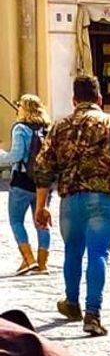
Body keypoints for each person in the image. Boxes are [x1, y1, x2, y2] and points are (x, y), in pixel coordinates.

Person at [32, 75, 110, 337]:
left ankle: (72, 304)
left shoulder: (59, 127)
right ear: (100, 99)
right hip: (103, 198)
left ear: (74, 100)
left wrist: (41, 206)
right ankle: (92, 314)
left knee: (72, 251)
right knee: (98, 254)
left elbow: (44, 167)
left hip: (70, 200)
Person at [0, 94, 51, 276]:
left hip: (22, 181)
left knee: (16, 221)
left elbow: (15, 156)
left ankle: (29, 259)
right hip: (43, 183)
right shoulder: (47, 128)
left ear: (24, 108)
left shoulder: (20, 128)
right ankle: (43, 264)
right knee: (42, 222)